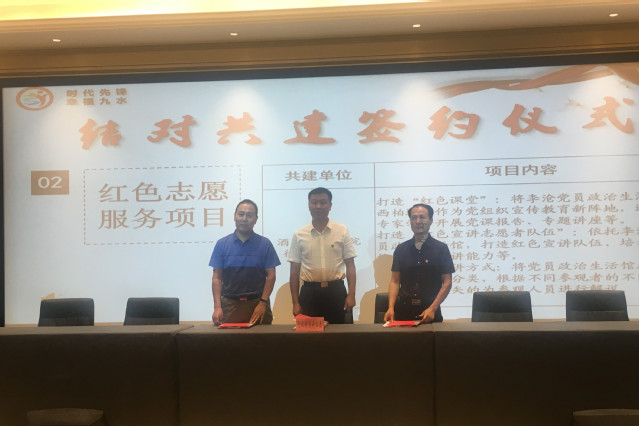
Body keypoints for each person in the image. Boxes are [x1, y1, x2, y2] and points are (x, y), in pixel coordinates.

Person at [288, 187, 357, 324]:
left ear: (330, 205)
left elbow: (350, 266)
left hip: (336, 291)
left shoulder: (341, 230)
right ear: (309, 205)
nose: (318, 206)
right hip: (309, 293)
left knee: (340, 333)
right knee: (309, 335)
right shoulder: (299, 234)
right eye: (314, 202)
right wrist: (295, 302)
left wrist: (351, 294)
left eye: (323, 202)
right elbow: (294, 271)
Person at [210, 199, 280, 325]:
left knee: (263, 337)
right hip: (229, 305)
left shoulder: (265, 244)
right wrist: (217, 307)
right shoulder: (222, 244)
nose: (244, 219)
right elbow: (217, 278)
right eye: (241, 214)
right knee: (229, 338)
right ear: (234, 216)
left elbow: (271, 276)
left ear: (256, 219)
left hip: (258, 304)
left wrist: (263, 303)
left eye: (249, 215)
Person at [384, 203, 454, 323]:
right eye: (414, 217)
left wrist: (432, 308)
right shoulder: (401, 249)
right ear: (410, 221)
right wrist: (390, 308)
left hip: (430, 310)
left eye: (422, 217)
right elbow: (395, 281)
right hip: (403, 310)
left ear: (430, 220)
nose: (418, 221)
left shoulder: (441, 249)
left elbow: (447, 282)